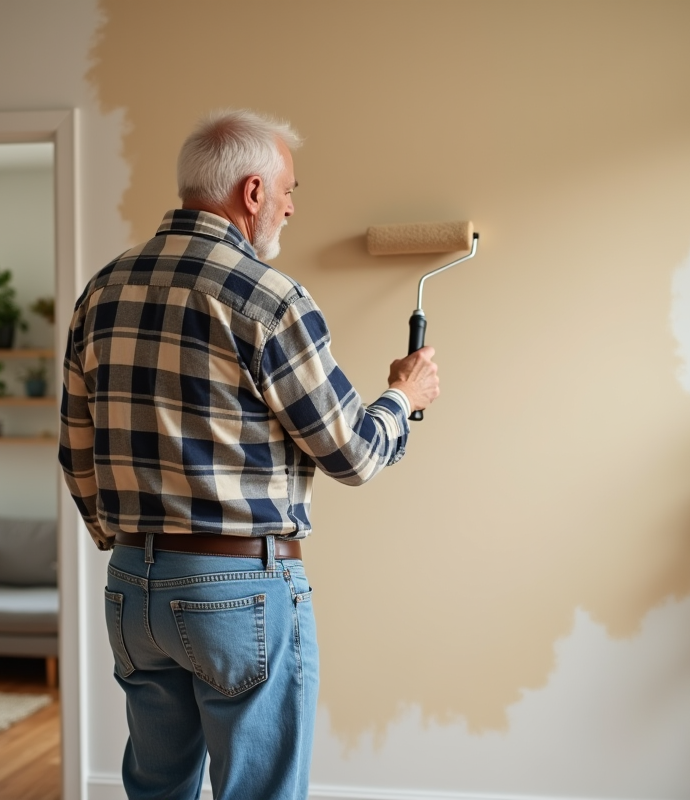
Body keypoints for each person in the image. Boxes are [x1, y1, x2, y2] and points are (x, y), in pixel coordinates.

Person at [59, 108, 440, 800]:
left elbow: (76, 450)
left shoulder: (102, 292)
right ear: (253, 191)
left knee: (157, 791)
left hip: (133, 588)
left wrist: (132, 545)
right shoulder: (268, 297)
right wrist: (401, 397)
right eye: (289, 191)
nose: (291, 207)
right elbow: (353, 455)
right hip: (238, 589)